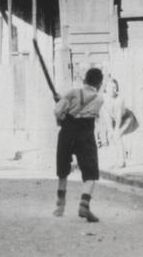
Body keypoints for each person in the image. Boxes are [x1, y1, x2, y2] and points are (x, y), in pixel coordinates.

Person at [53, 68, 104, 222]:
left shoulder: (72, 93)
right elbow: (85, 110)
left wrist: (61, 118)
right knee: (90, 172)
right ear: (99, 84)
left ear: (84, 80)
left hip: (67, 131)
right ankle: (84, 204)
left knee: (63, 169)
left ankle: (60, 206)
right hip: (86, 134)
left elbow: (58, 111)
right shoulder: (99, 99)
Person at [103, 78, 138, 168]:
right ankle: (115, 160)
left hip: (126, 118)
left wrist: (116, 129)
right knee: (110, 136)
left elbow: (118, 117)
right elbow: (107, 116)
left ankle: (122, 161)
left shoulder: (119, 99)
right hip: (115, 119)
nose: (112, 90)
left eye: (115, 87)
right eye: (110, 87)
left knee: (117, 135)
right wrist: (110, 129)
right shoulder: (104, 100)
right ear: (106, 88)